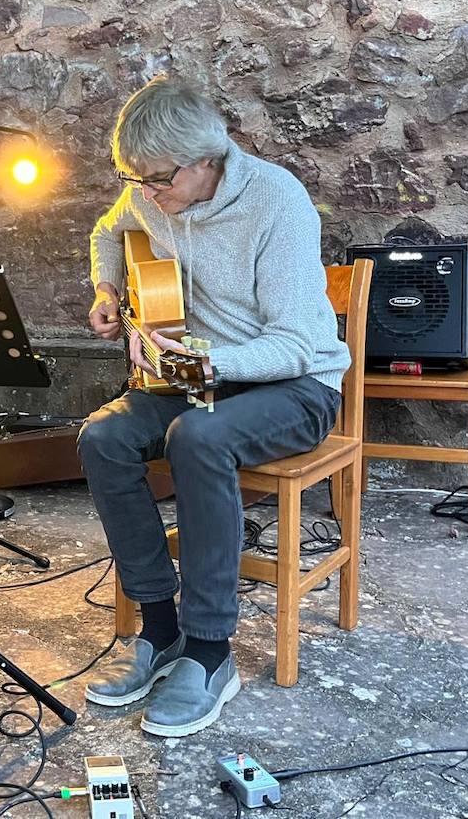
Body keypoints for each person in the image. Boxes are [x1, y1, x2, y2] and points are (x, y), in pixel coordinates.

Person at [78, 76, 349, 736]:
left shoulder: (276, 201)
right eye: (137, 179)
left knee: (198, 438)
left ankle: (209, 650)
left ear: (206, 160)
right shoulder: (152, 188)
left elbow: (295, 344)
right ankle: (161, 627)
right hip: (201, 382)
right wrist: (108, 292)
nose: (147, 193)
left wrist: (205, 362)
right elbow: (106, 231)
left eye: (158, 179)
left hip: (297, 387)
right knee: (100, 436)